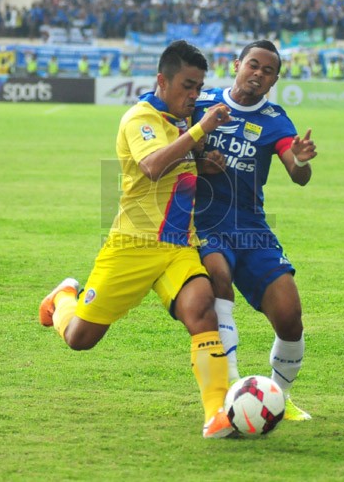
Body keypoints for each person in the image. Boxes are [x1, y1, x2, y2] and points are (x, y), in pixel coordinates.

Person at [38, 40, 236, 439]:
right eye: (187, 85)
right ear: (162, 80)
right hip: (132, 245)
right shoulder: (140, 119)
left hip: (178, 245)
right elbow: (151, 166)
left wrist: (203, 163)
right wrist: (202, 128)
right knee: (80, 339)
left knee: (202, 311)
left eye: (198, 87)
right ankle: (63, 298)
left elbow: (180, 164)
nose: (193, 95)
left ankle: (217, 414)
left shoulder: (181, 118)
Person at [192, 39, 318, 421]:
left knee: (290, 317)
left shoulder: (276, 120)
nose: (258, 74)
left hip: (251, 227)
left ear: (274, 79)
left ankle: (279, 396)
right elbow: (173, 144)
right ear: (236, 65)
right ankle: (232, 390)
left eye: (267, 71)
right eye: (253, 65)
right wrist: (199, 159)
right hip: (206, 221)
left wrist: (300, 159)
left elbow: (298, 175)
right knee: (218, 277)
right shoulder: (203, 103)